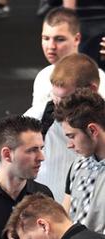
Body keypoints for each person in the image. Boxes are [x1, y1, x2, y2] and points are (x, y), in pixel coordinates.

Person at [25, 52, 101, 203]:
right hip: (48, 209)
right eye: (55, 97)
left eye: (66, 99)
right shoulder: (36, 118)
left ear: (92, 90)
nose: (59, 108)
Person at [32, 8, 105, 108]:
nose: (51, 46)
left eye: (60, 39)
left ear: (77, 39)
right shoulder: (42, 76)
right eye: (46, 38)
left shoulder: (97, 77)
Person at [57, 89, 105, 232]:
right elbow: (64, 218)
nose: (69, 145)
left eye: (72, 136)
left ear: (92, 130)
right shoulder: (78, 164)